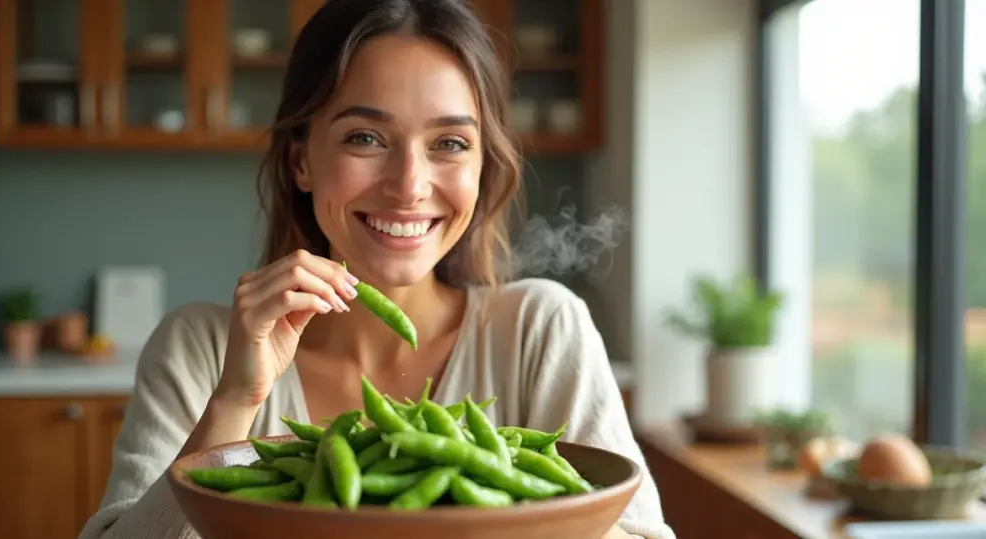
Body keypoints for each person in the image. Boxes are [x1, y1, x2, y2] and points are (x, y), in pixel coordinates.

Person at [77, 0, 675, 538]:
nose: (409, 186)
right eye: (364, 137)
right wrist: (237, 399)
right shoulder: (197, 350)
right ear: (301, 161)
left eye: (450, 143)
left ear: (482, 168)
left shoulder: (540, 331)